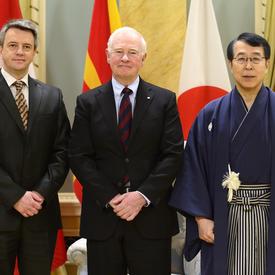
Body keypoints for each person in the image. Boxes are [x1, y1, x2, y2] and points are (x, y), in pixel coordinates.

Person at [69, 26, 184, 275]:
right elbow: (79, 156)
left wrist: (141, 196)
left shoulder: (165, 100)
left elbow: (173, 154)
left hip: (151, 218)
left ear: (143, 58)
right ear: (107, 56)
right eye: (118, 52)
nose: (125, 58)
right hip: (104, 217)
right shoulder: (87, 102)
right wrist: (112, 198)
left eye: (132, 52)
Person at [170, 32, 275, 275]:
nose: (248, 66)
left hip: (269, 215)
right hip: (223, 214)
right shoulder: (211, 114)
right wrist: (201, 217)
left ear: (267, 64)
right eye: (241, 58)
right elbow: (193, 167)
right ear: (230, 64)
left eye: (256, 59)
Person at [0, 19, 70, 275]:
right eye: (13, 45)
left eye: (26, 46)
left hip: (40, 215)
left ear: (34, 52)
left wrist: (38, 195)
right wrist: (16, 196)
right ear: (1, 49)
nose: (20, 51)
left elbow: (63, 152)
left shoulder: (52, 96)